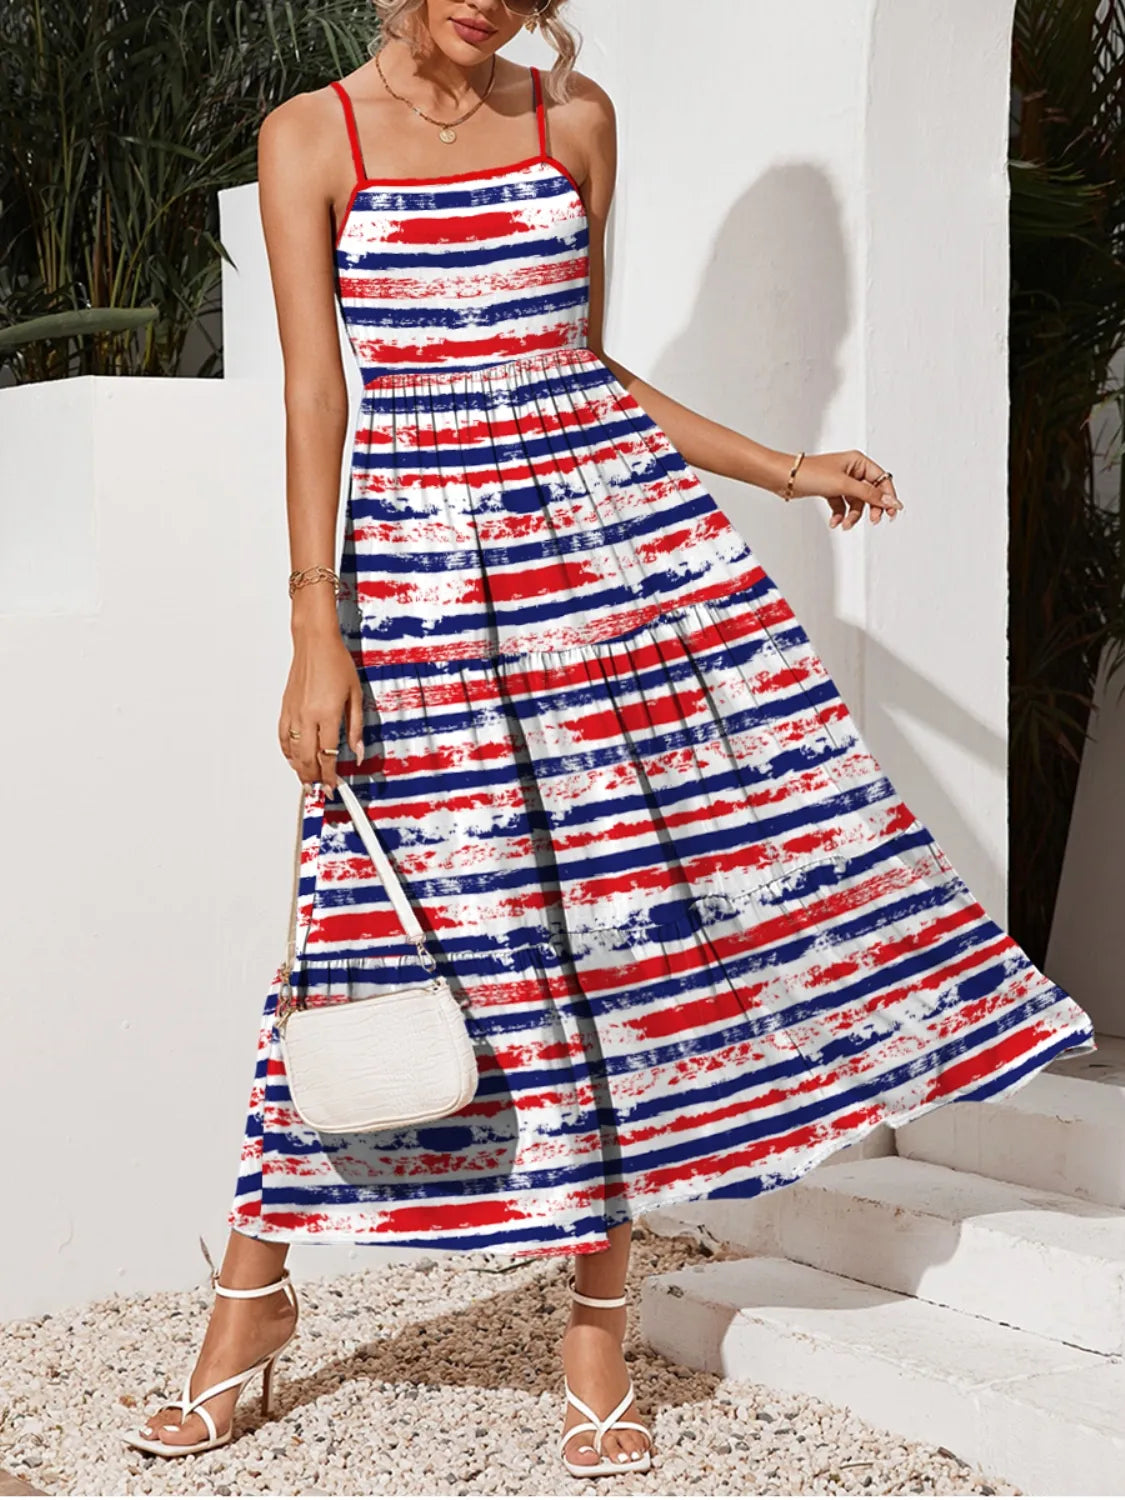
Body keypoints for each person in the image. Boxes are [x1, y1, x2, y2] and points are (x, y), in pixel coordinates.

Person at [124, 0, 1096, 1477]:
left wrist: (787, 468)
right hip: (419, 589)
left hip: (601, 579)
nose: (492, 1)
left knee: (611, 939)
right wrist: (316, 624)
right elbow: (318, 393)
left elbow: (581, 372)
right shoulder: (310, 136)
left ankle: (594, 1329)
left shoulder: (569, 121)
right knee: (366, 931)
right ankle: (252, 1300)